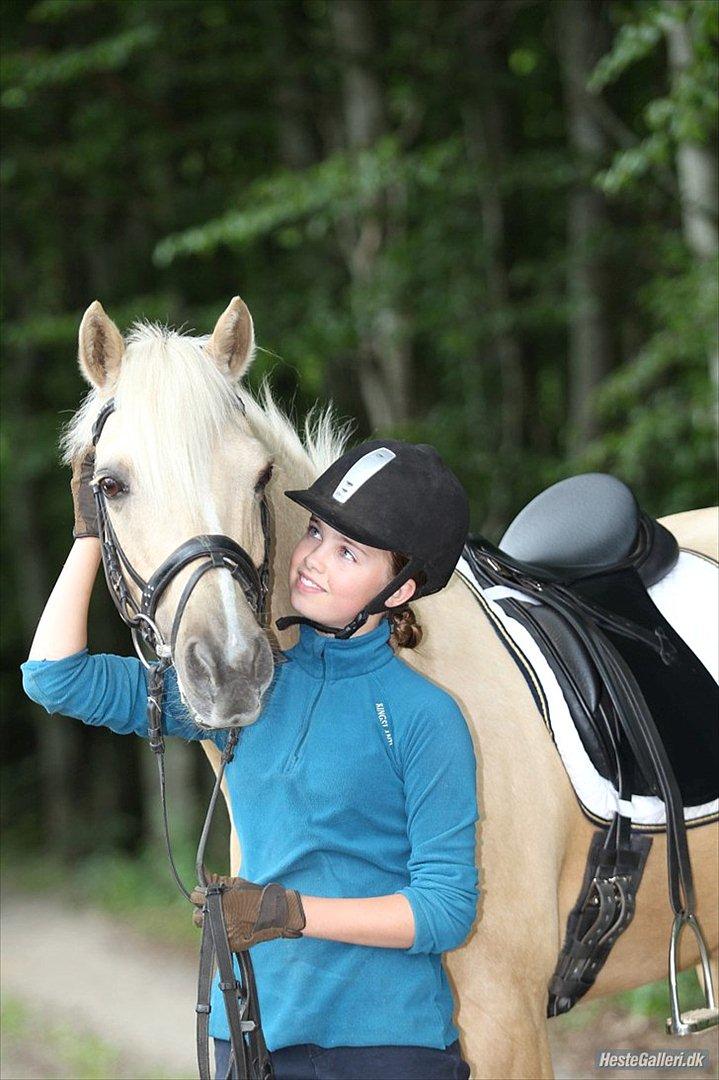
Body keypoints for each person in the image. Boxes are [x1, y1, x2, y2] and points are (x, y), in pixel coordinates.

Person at [22, 437, 479, 1080]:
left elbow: (445, 910)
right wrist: (91, 533)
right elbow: (55, 679)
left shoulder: (425, 717)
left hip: (386, 1048)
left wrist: (289, 913)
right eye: (316, 531)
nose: (313, 559)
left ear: (399, 590)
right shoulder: (248, 689)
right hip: (250, 1034)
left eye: (348, 552)